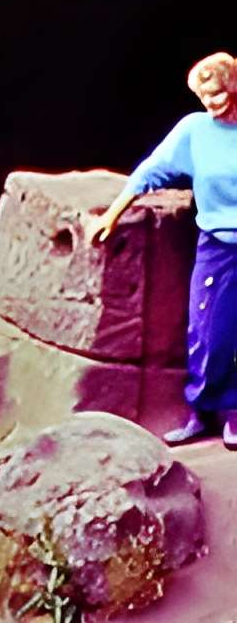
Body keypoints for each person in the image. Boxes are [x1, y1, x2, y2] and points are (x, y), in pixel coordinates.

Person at [85, 51, 237, 449]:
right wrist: (113, 214)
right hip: (219, 244)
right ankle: (204, 411)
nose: (211, 104)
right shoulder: (196, 129)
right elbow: (154, 169)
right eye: (204, 96)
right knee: (207, 331)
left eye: (218, 93)